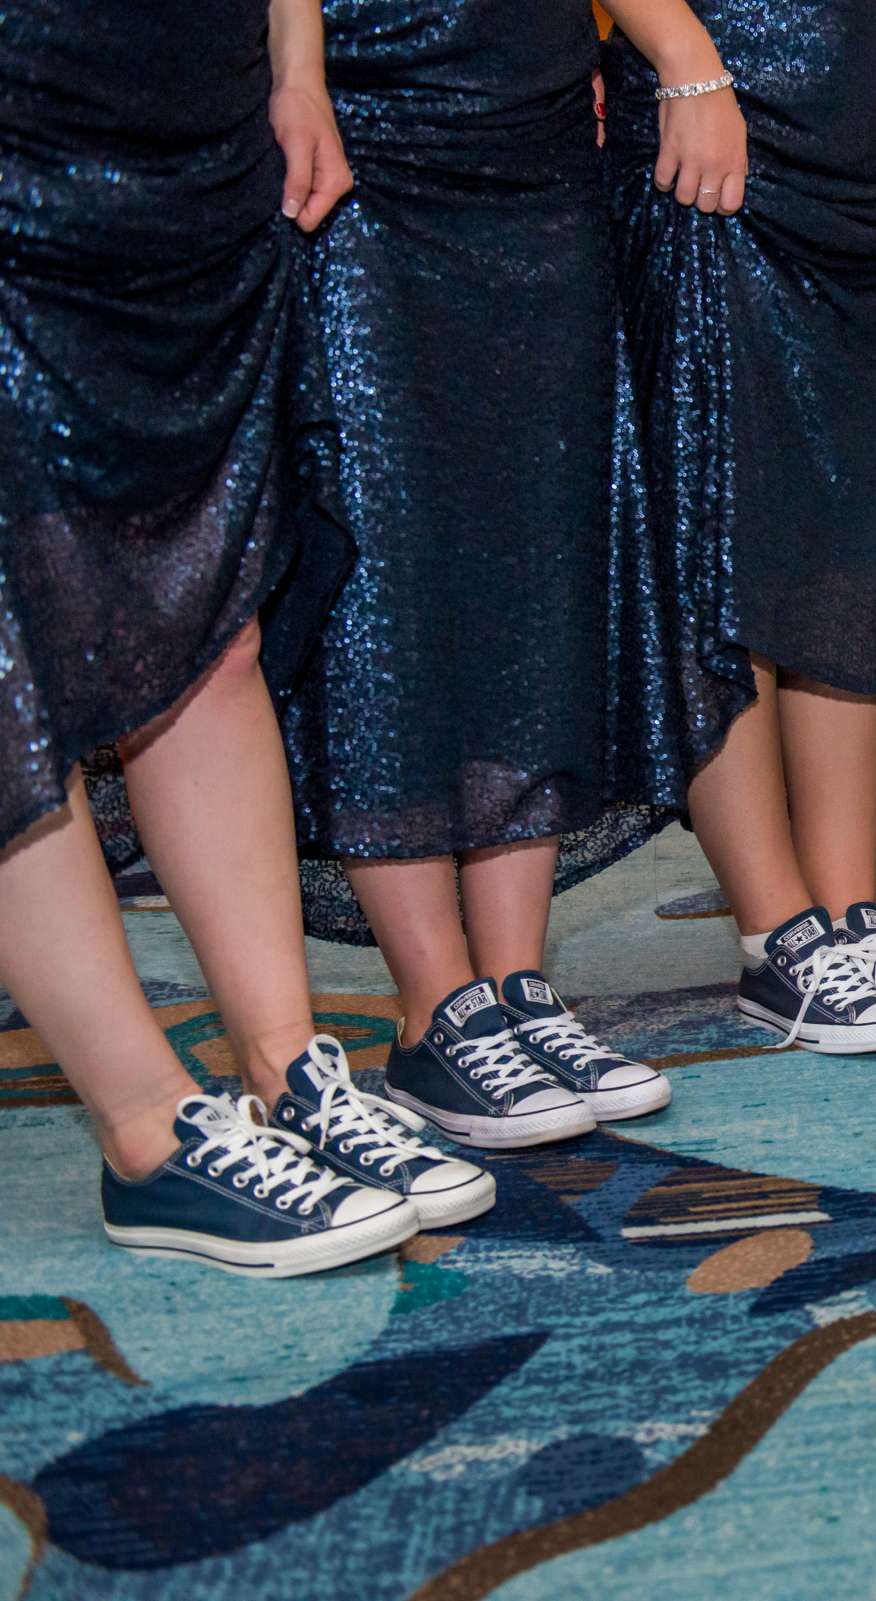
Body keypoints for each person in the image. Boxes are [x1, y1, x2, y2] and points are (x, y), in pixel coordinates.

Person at [0, 0, 480, 1274]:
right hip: (22, 119)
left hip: (191, 136)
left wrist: (297, 65)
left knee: (203, 613)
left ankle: (283, 1065)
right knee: (10, 656)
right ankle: (147, 1131)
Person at [280, 0, 714, 1148]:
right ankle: (434, 1007)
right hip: (362, 104)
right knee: (390, 565)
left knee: (535, 549)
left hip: (528, 119)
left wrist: (668, 58)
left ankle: (513, 987)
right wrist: (295, 71)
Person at [607, 0, 876, 1056]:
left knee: (850, 537)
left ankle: (844, 910)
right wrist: (686, 65)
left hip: (866, 157)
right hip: (720, 130)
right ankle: (776, 930)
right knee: (724, 534)